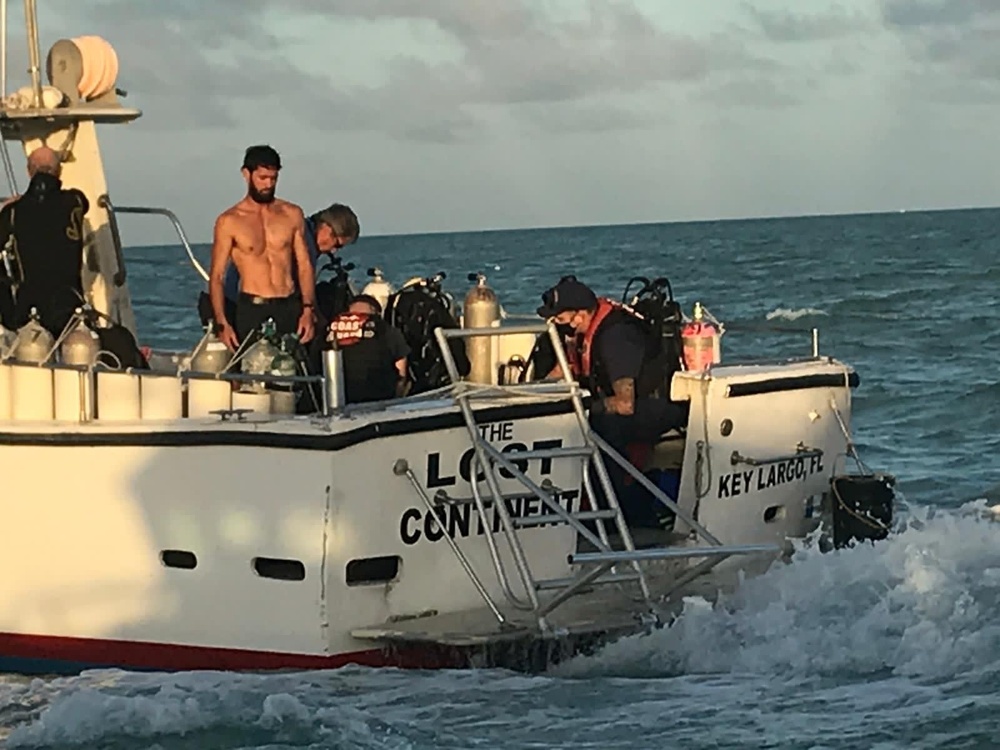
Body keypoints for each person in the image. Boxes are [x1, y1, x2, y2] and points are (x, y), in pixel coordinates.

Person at [536, 276, 687, 518]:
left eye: (559, 319)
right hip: (615, 405)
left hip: (654, 407)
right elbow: (560, 373)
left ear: (579, 316)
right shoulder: (578, 337)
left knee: (602, 429)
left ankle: (622, 511)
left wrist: (585, 408)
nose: (555, 324)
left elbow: (625, 404)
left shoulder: (615, 339)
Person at [208, 145, 316, 351]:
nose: (268, 184)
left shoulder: (291, 214)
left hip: (289, 305)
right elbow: (217, 276)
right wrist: (222, 323)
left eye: (273, 178)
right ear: (246, 174)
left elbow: (304, 266)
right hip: (253, 308)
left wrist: (308, 309)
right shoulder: (229, 221)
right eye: (262, 178)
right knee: (253, 374)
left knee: (294, 374)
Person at [0, 145, 89, 338]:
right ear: (59, 171)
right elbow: (81, 202)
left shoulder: (13, 213)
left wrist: (9, 205)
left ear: (28, 171)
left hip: (29, 311)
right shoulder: (75, 201)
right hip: (70, 306)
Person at [327, 294, 410, 403]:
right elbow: (401, 375)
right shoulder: (386, 330)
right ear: (376, 312)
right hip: (378, 398)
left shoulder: (328, 330)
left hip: (333, 397)